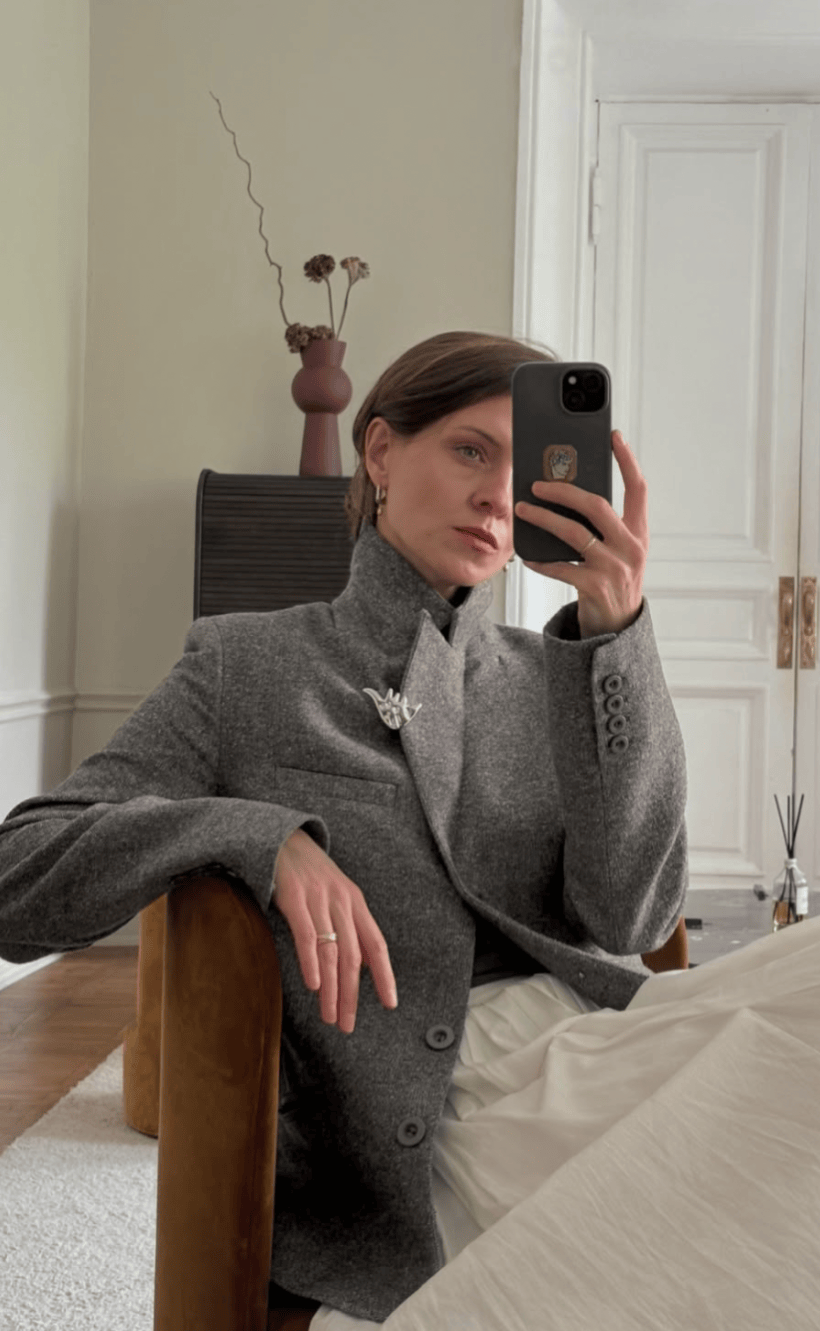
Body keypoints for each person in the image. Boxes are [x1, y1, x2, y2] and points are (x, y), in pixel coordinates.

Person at [0, 331, 690, 1328]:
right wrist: (259, 835)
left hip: (599, 1053)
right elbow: (19, 873)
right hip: (430, 1124)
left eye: (523, 466)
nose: (497, 495)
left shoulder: (560, 673)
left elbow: (634, 916)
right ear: (379, 452)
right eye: (469, 450)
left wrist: (617, 634)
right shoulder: (248, 664)